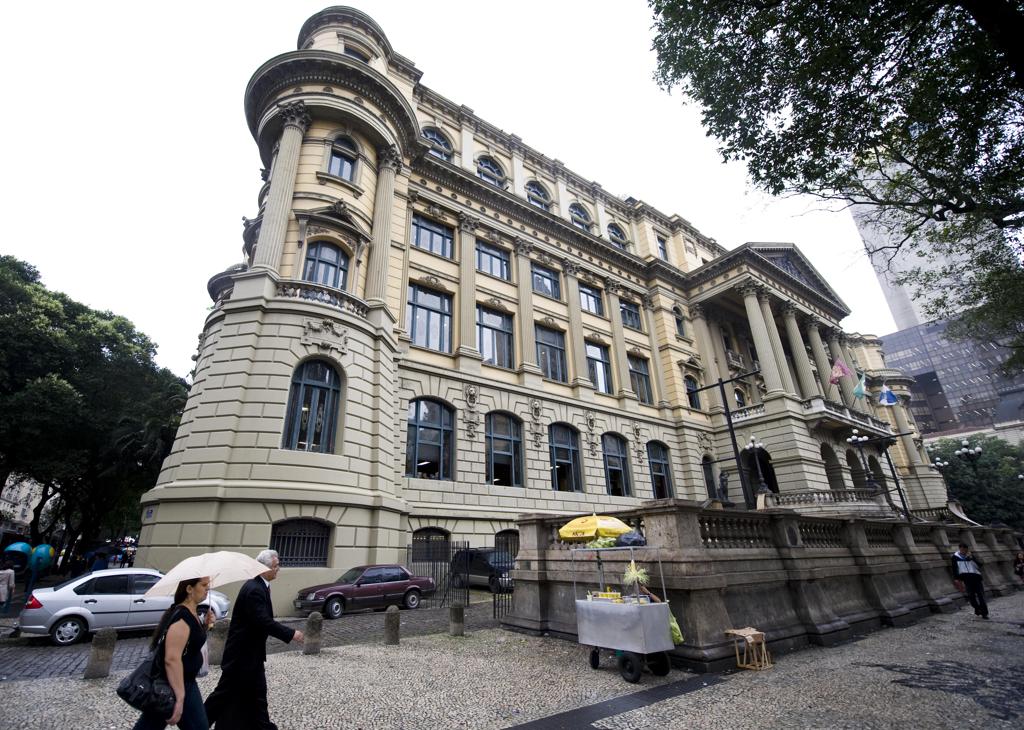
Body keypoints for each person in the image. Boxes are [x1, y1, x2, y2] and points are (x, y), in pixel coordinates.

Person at [204, 549, 304, 729]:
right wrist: (291, 634)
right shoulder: (254, 589)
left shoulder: (259, 585)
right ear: (262, 568)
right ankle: (197, 723)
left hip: (250, 654)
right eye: (275, 566)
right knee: (224, 694)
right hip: (241, 655)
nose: (278, 569)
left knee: (255, 694)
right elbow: (263, 621)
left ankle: (261, 725)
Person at [133, 575, 214, 730]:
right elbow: (172, 658)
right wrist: (180, 697)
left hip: (184, 681)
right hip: (175, 683)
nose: (207, 588)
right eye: (204, 585)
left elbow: (191, 643)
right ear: (189, 589)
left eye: (208, 585)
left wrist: (206, 625)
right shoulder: (182, 617)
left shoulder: (192, 613)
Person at [950, 542, 988, 619]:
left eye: (965, 549)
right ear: (960, 549)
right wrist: (956, 578)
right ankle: (977, 608)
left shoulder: (971, 555)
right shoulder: (955, 557)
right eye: (962, 549)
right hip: (966, 579)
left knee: (981, 596)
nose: (964, 551)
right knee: (971, 597)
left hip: (976, 578)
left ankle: (984, 613)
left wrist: (972, 559)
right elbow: (954, 569)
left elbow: (980, 565)